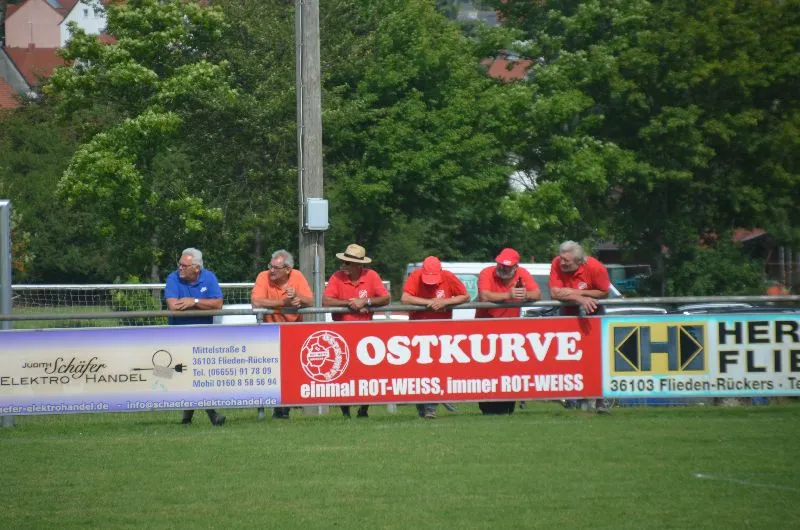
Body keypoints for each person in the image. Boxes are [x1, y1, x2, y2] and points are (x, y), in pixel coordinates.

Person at [323, 243, 390, 418]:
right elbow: (326, 301)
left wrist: (366, 301)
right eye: (343, 261)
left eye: (347, 262)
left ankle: (363, 409)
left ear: (358, 265)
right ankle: (345, 412)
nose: (343, 265)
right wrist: (350, 304)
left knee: (367, 373)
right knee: (343, 373)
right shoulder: (337, 277)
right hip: (342, 334)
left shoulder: (371, 276)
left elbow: (386, 298)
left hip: (365, 334)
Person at [401, 256, 470, 419]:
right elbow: (405, 298)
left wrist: (445, 302)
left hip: (441, 333)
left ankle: (430, 407)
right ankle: (423, 408)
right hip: (418, 332)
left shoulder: (448, 277)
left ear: (440, 272)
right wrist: (429, 303)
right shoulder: (415, 276)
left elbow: (465, 296)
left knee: (436, 370)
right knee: (420, 371)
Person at [165, 247, 226, 426]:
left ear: (196, 268)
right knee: (188, 374)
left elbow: (218, 304)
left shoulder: (209, 277)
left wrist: (194, 301)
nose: (180, 268)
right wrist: (204, 305)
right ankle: (210, 415)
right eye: (179, 264)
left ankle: (188, 418)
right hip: (179, 336)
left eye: (184, 265)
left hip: (204, 336)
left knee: (197, 376)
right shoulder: (172, 278)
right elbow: (174, 306)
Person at [476, 248, 541, 415]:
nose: (502, 268)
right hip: (486, 331)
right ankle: (487, 408)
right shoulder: (487, 273)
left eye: (507, 266)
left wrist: (525, 294)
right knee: (487, 371)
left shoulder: (522, 273)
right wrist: (508, 295)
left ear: (515, 266)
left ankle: (507, 408)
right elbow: (484, 295)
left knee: (509, 371)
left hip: (510, 332)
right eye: (500, 264)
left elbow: (537, 294)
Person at [549, 240, 611, 414]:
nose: (562, 263)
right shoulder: (556, 263)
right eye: (561, 258)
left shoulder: (596, 268)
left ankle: (600, 401)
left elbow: (604, 292)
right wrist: (579, 299)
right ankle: (574, 401)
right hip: (567, 316)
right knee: (569, 357)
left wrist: (576, 292)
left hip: (594, 316)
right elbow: (554, 293)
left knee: (597, 357)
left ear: (579, 261)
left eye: (566, 261)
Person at [251, 249, 313, 420]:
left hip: (293, 332)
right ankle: (276, 407)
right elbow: (256, 302)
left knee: (290, 371)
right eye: (270, 266)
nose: (271, 270)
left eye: (276, 268)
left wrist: (298, 298)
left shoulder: (297, 276)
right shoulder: (262, 276)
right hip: (268, 333)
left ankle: (284, 407)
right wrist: (284, 303)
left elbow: (310, 300)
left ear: (288, 270)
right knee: (272, 371)